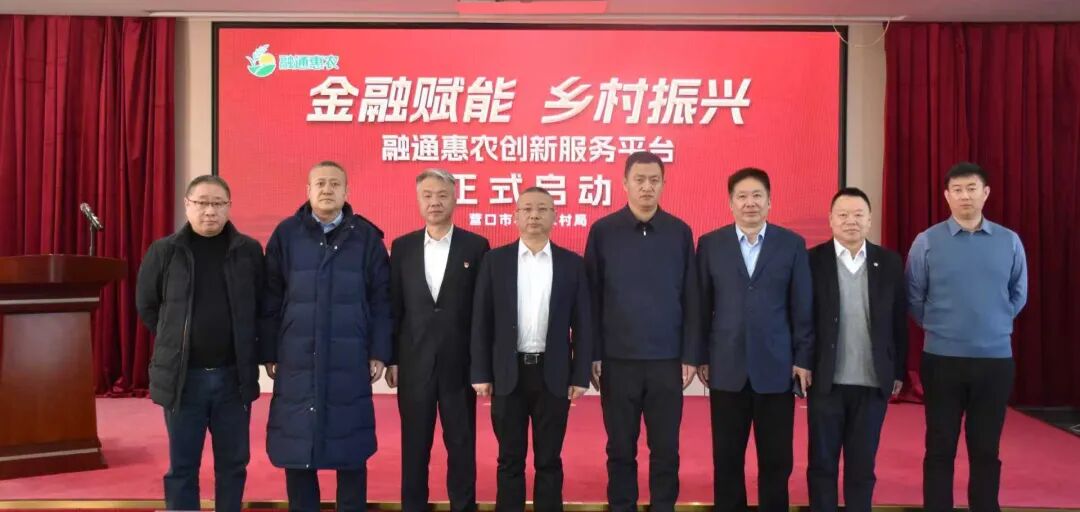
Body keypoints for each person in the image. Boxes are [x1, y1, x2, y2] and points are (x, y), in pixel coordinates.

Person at [261, 161, 392, 512]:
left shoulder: (366, 237)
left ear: (346, 192)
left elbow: (382, 299)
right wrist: (270, 350)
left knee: (351, 446)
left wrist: (380, 351)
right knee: (298, 446)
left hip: (350, 356)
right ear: (308, 190)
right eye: (320, 183)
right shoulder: (286, 234)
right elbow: (270, 297)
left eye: (335, 184)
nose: (327, 189)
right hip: (297, 356)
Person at [135, 175, 263, 512]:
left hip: (233, 378)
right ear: (187, 205)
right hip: (183, 379)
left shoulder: (248, 251)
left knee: (233, 465)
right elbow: (147, 305)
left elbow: (262, 305)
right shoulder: (165, 251)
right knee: (182, 466)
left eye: (218, 204)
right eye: (202, 203)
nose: (210, 211)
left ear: (229, 207)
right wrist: (173, 339)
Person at [906, 162, 1027, 512]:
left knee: (986, 448)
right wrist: (942, 327)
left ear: (985, 193)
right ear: (946, 196)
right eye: (957, 190)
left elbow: (1018, 294)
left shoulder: (1009, 241)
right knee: (940, 446)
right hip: (942, 360)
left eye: (971, 188)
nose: (965, 196)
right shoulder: (927, 241)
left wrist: (993, 322)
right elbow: (913, 295)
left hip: (995, 361)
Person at [583, 151, 700, 512]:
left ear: (663, 184)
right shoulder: (603, 231)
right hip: (618, 361)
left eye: (654, 180)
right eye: (639, 180)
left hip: (667, 361)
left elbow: (692, 297)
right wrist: (593, 353)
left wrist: (690, 354)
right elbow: (591, 297)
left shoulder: (680, 232)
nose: (647, 187)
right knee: (620, 448)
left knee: (666, 449)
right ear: (624, 183)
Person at [696, 167, 814, 512]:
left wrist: (803, 358)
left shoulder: (791, 244)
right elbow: (701, 305)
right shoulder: (710, 244)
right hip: (726, 367)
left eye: (757, 196)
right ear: (731, 203)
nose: (750, 203)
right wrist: (701, 355)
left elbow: (802, 306)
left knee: (776, 462)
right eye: (742, 197)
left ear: (770, 201)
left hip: (776, 368)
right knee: (727, 460)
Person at [470, 186, 594, 512]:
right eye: (527, 209)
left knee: (549, 459)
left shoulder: (572, 264)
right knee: (509, 458)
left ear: (555, 216)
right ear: (515, 216)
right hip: (508, 373)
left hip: (553, 373)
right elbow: (481, 321)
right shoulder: (495, 261)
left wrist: (580, 374)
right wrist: (480, 371)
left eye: (542, 209)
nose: (534, 215)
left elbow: (583, 324)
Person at [388, 168, 489, 512]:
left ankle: (463, 505)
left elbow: (482, 312)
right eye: (427, 195)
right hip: (414, 364)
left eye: (442, 195)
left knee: (461, 445)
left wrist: (481, 365)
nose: (435, 202)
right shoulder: (402, 247)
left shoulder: (476, 246)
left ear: (455, 198)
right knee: (414, 447)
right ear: (418, 201)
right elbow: (394, 307)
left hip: (459, 366)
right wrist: (393, 359)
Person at [806, 187, 907, 512]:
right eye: (843, 215)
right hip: (826, 380)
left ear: (869, 220)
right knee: (822, 464)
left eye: (858, 215)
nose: (851, 221)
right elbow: (802, 319)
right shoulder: (811, 261)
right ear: (831, 220)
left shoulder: (889, 262)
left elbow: (899, 321)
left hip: (872, 381)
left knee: (862, 466)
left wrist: (898, 370)